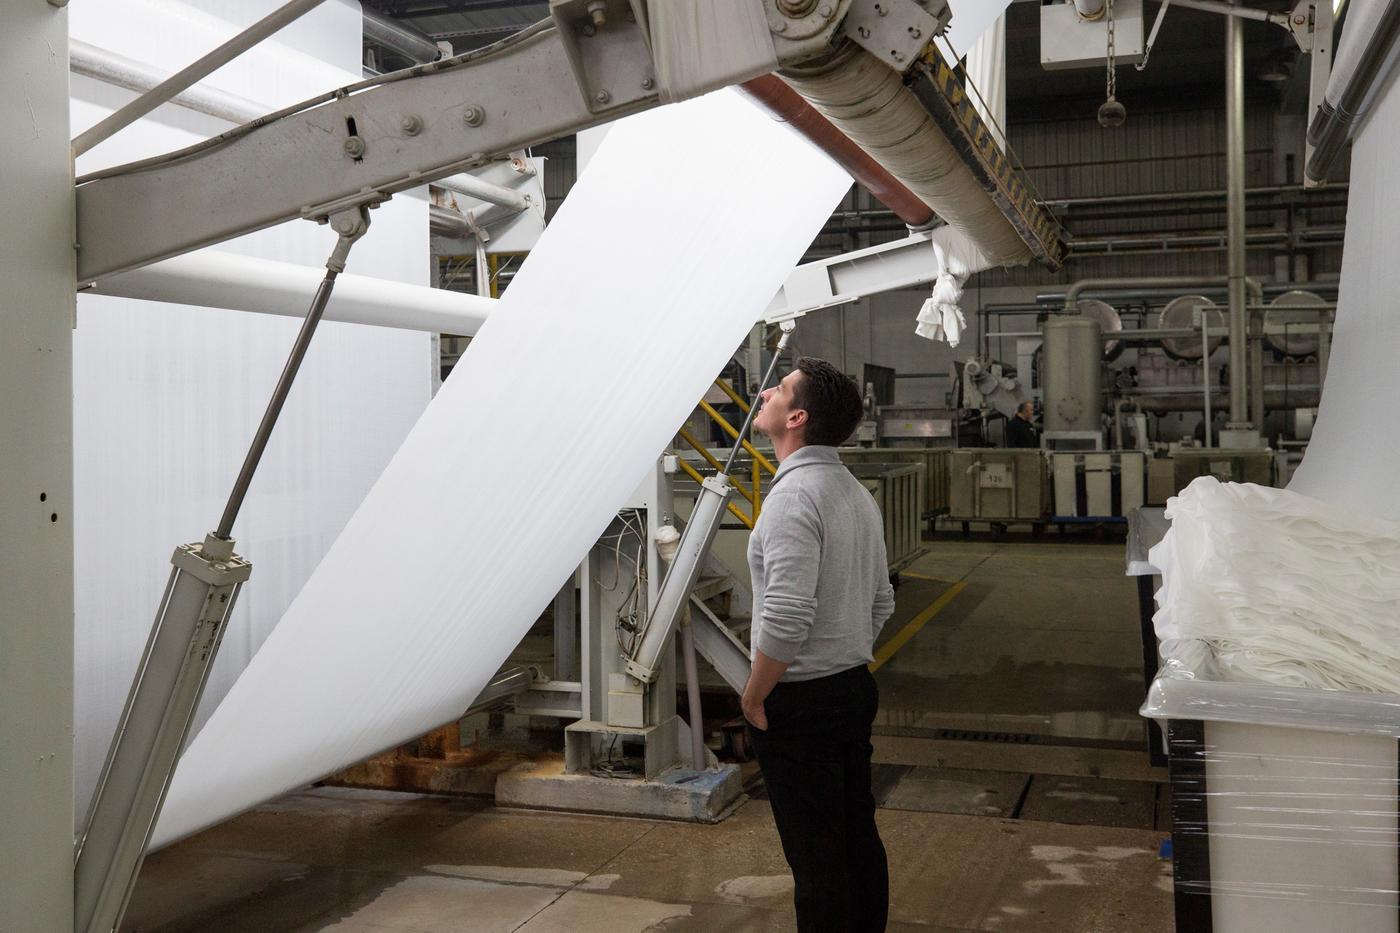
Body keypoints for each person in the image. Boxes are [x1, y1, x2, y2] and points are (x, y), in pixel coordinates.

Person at [743, 357, 896, 933]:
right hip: (852, 686)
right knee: (857, 836)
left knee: (815, 858)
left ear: (797, 417)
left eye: (779, 390)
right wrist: (847, 654)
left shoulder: (791, 499)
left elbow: (785, 614)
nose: (765, 393)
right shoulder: (856, 493)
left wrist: (756, 695)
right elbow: (881, 600)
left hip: (799, 699)